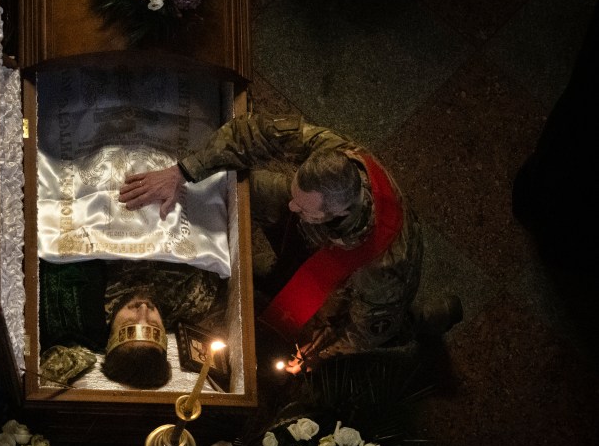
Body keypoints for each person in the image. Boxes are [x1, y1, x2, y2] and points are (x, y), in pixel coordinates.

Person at [119, 112, 459, 373]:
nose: (292, 208)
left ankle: (427, 322)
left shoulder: (386, 271)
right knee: (234, 189)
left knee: (371, 333)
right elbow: (253, 133)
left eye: (303, 207)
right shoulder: (336, 155)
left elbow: (361, 334)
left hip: (351, 279)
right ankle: (280, 266)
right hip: (320, 234)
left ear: (338, 210)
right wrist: (183, 172)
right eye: (295, 197)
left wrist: (316, 355)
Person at [38, 259, 224, 388]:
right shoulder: (192, 299)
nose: (143, 309)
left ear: (110, 335)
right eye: (154, 326)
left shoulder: (81, 302)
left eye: (129, 323)